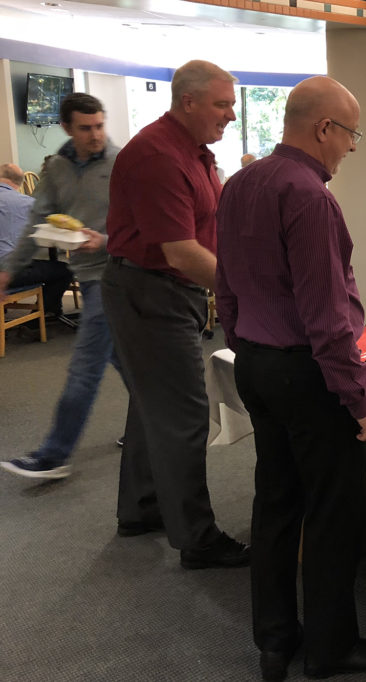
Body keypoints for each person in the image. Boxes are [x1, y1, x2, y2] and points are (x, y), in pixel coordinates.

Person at [216, 75, 366, 681]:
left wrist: (241, 345)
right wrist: (360, 399)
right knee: (331, 513)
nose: (352, 147)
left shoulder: (240, 184)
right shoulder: (311, 197)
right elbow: (325, 317)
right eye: (351, 134)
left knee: (275, 502)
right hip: (309, 375)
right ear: (325, 128)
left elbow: (227, 285)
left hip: (256, 366)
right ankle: (329, 648)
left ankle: (275, 639)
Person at [102, 59, 248, 569]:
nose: (231, 114)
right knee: (186, 416)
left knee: (150, 406)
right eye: (222, 104)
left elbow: (211, 223)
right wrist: (245, 298)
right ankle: (197, 538)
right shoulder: (158, 155)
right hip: (152, 293)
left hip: (163, 292)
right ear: (188, 101)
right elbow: (181, 252)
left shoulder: (195, 153)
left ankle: (142, 508)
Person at [0, 94, 124, 480]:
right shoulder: (56, 168)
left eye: (100, 126)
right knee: (121, 357)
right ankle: (156, 417)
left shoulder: (122, 163)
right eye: (86, 128)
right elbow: (37, 224)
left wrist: (104, 240)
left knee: (84, 365)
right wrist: (8, 272)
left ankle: (53, 455)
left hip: (118, 273)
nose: (95, 135)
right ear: (67, 128)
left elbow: (144, 224)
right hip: (85, 275)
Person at [0, 163, 74, 316]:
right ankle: (43, 316)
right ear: (19, 183)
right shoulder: (27, 203)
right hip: (7, 271)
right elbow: (55, 230)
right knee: (64, 270)